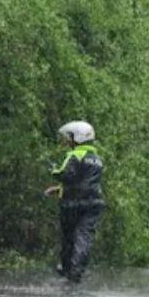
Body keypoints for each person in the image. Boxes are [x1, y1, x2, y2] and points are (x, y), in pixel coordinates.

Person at [44, 121, 105, 284]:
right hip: (93, 203)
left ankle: (68, 268)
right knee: (84, 237)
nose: (67, 140)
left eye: (69, 137)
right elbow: (85, 182)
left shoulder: (74, 155)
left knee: (69, 237)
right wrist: (58, 189)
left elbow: (66, 175)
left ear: (77, 138)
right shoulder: (98, 159)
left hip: (73, 203)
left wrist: (53, 170)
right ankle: (77, 269)